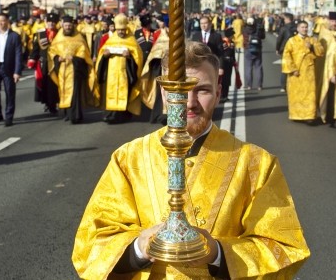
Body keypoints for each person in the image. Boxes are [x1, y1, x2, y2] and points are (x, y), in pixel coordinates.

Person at [72, 42, 310, 279]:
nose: (190, 102)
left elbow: (284, 247)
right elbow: (91, 242)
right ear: (164, 93)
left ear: (218, 92)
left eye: (202, 90)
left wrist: (216, 253)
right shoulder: (128, 158)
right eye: (179, 91)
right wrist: (139, 249)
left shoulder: (257, 164)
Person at [95, 13, 144, 124]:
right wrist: (105, 55)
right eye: (119, 30)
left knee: (123, 92)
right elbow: (101, 56)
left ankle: (123, 115)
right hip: (111, 73)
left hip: (125, 73)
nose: (121, 32)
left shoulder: (131, 40)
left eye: (123, 29)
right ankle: (110, 114)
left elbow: (138, 57)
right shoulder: (110, 40)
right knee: (111, 92)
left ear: (126, 28)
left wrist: (129, 57)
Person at [49, 16, 94, 124]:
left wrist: (74, 58)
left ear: (73, 26)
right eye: (66, 25)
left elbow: (84, 53)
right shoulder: (58, 38)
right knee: (63, 91)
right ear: (63, 26)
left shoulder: (79, 38)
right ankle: (67, 114)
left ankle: (76, 116)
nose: (68, 27)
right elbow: (52, 51)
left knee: (75, 94)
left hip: (75, 71)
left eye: (69, 25)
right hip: (62, 71)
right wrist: (57, 58)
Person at [282, 20, 324, 123]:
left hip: (309, 72)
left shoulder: (312, 40)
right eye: (302, 27)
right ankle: (296, 115)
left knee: (310, 94)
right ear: (298, 29)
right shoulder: (291, 41)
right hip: (296, 72)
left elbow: (321, 52)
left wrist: (312, 47)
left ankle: (309, 116)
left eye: (306, 27)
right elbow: (287, 56)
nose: (304, 29)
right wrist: (293, 69)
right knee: (296, 94)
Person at [0, 13, 23, 127]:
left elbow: (18, 55)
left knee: (10, 92)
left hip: (8, 68)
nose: (1, 23)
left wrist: (17, 71)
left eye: (3, 21)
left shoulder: (14, 36)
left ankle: (9, 116)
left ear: (8, 22)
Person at [28, 13, 60, 115]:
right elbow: (35, 48)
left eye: (53, 22)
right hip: (44, 63)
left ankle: (53, 104)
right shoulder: (40, 33)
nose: (51, 24)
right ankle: (46, 102)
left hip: (56, 63)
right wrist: (32, 59)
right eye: (49, 22)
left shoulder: (60, 33)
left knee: (54, 85)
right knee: (44, 84)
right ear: (46, 22)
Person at [140, 13, 170, 123]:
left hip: (171, 65)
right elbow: (154, 48)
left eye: (160, 21)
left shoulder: (172, 32)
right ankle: (159, 114)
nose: (159, 23)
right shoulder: (156, 33)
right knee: (159, 90)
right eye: (158, 21)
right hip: (159, 65)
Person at [275, 13, 297, 93]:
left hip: (285, 50)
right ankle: (293, 84)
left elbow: (279, 39)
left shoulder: (284, 28)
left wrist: (277, 49)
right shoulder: (296, 27)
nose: (284, 20)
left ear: (288, 19)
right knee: (294, 66)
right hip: (295, 50)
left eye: (285, 19)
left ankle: (283, 86)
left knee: (285, 68)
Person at [242, 16, 265, 91]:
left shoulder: (245, 29)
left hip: (248, 49)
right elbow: (263, 37)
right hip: (257, 49)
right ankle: (259, 86)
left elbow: (243, 37)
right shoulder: (258, 28)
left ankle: (249, 85)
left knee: (248, 67)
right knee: (258, 67)